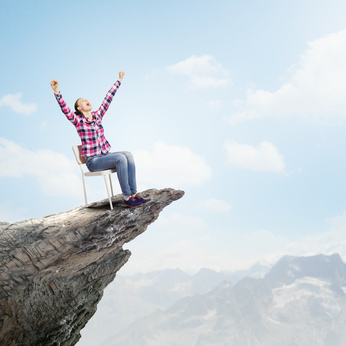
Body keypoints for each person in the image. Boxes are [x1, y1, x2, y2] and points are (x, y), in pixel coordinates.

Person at [50, 71, 148, 208]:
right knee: (120, 158)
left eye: (86, 99)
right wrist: (56, 92)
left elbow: (108, 98)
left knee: (128, 155)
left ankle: (133, 194)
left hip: (105, 156)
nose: (86, 101)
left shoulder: (97, 116)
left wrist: (118, 80)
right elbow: (65, 109)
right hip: (93, 161)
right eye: (82, 101)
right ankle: (127, 197)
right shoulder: (78, 121)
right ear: (79, 108)